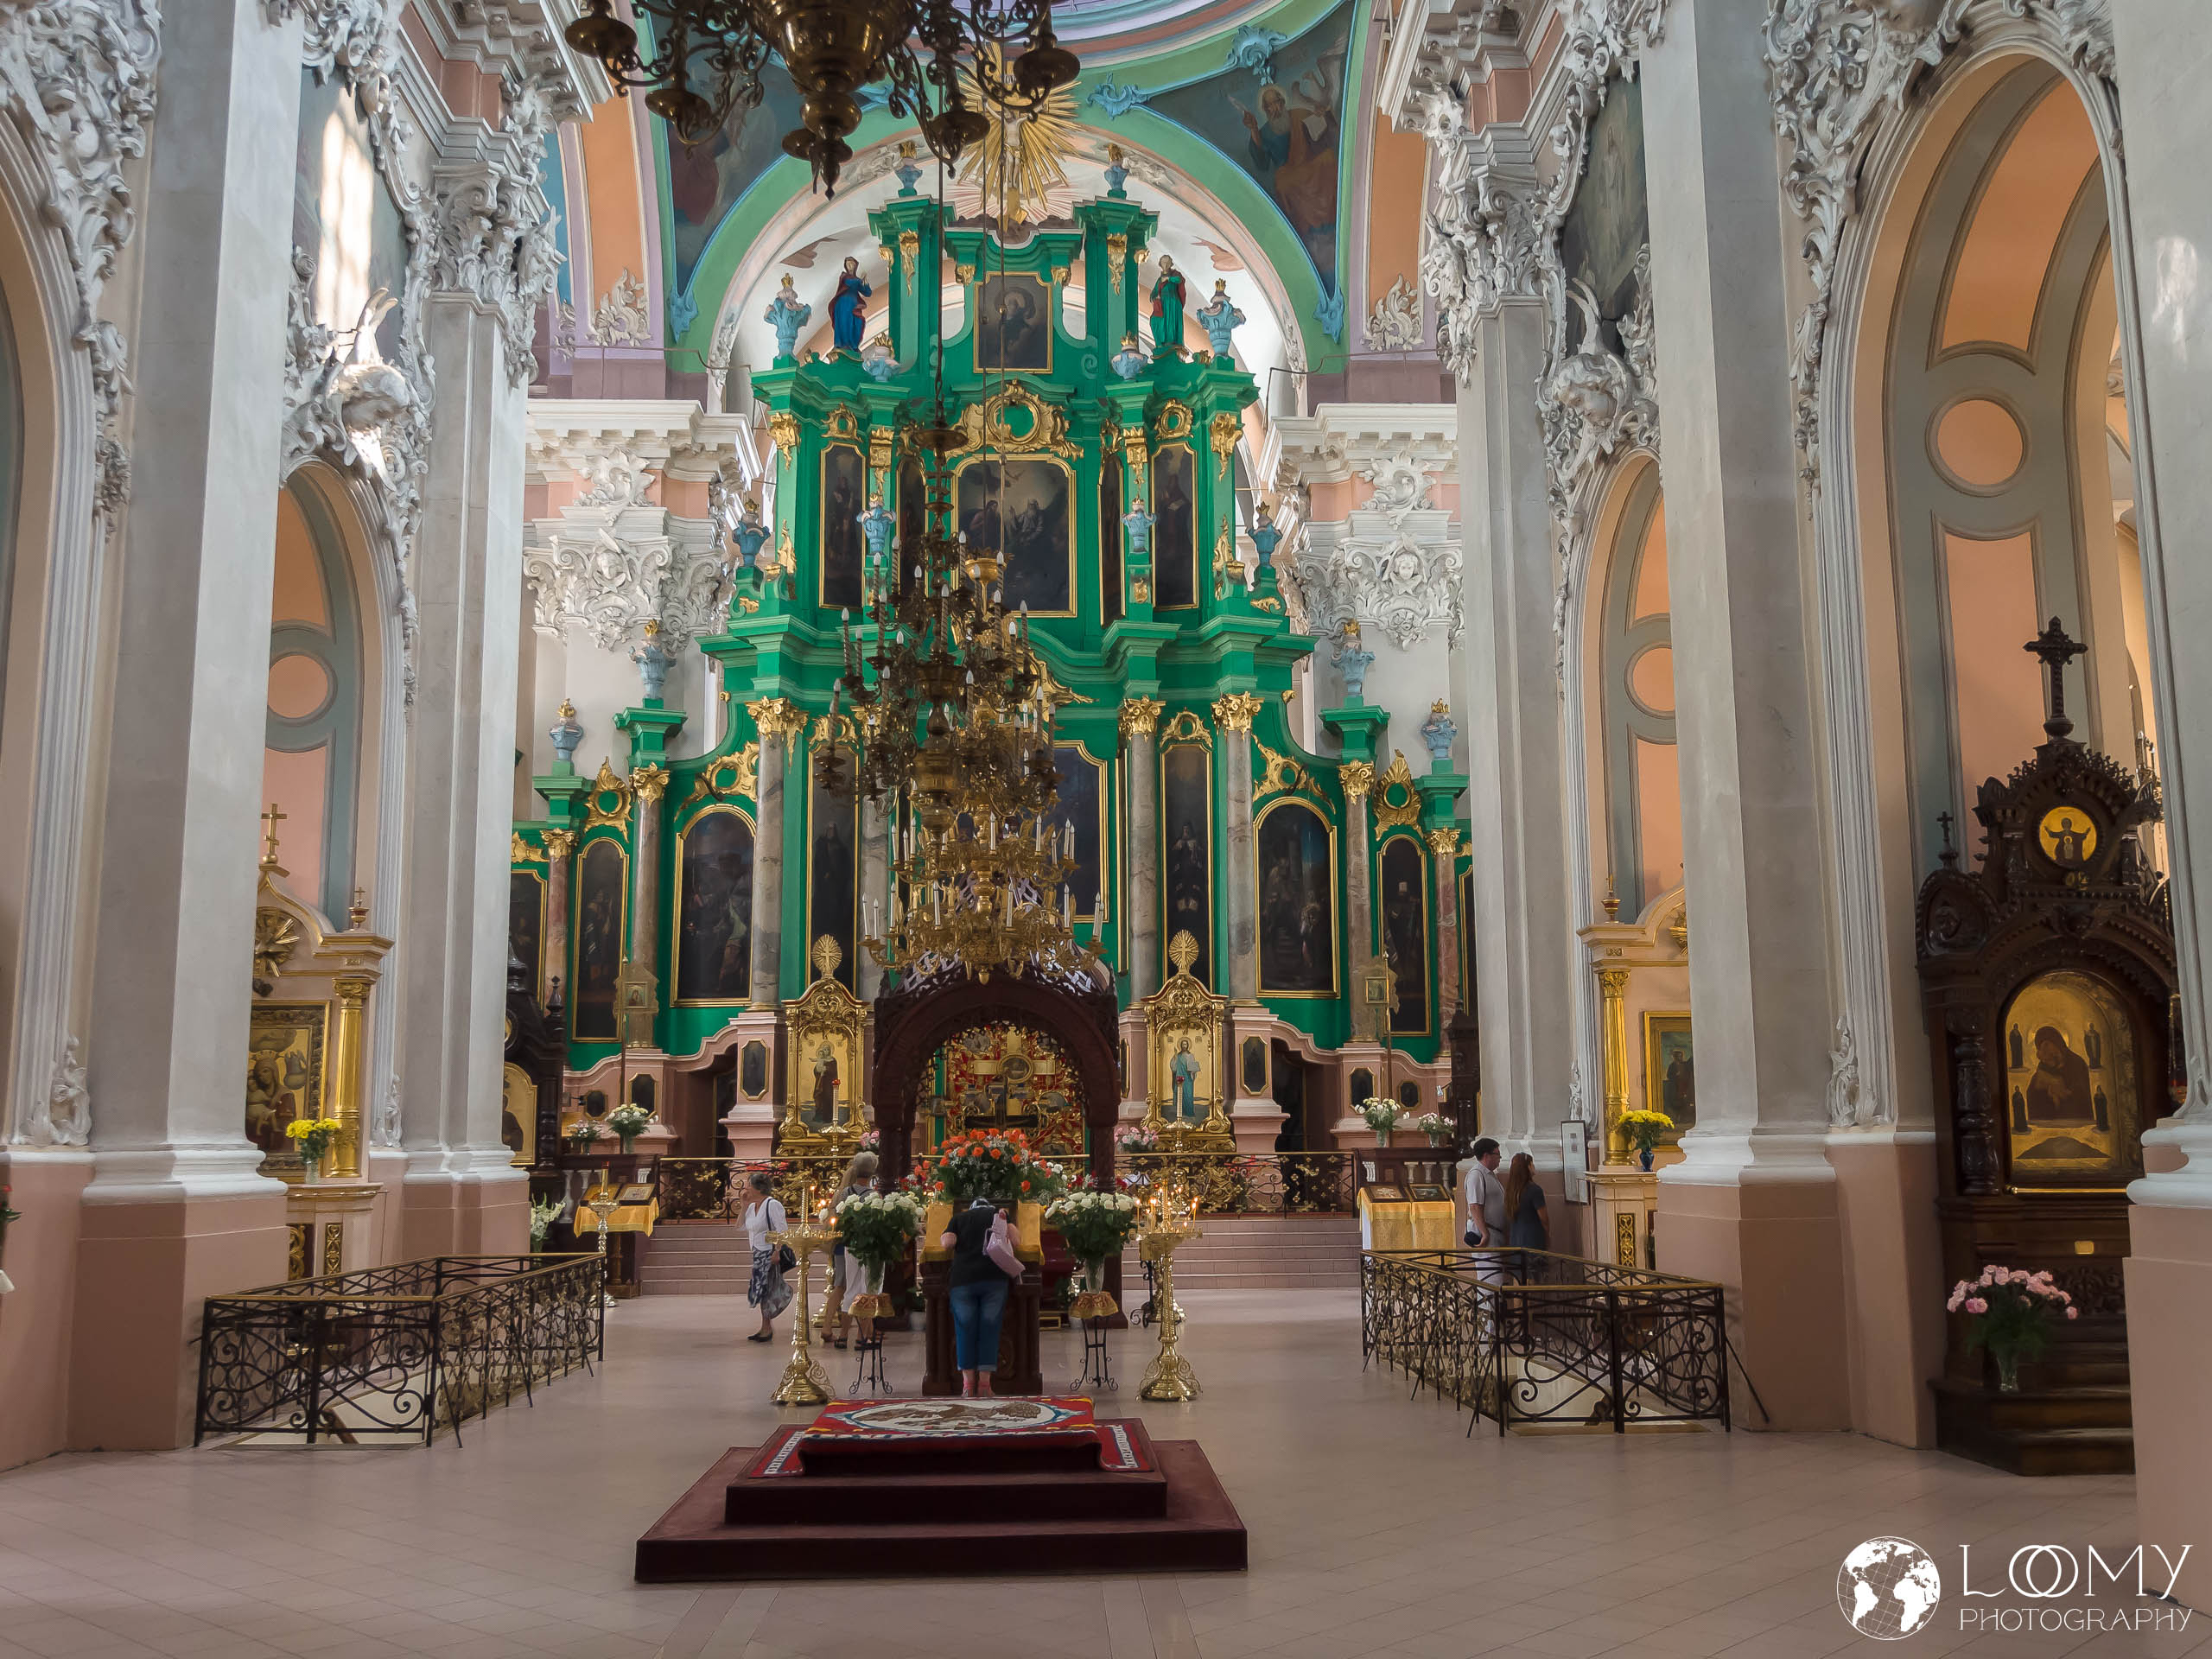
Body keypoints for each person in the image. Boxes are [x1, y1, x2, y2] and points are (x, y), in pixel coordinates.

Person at [940, 1196, 1018, 1397]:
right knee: (990, 1327)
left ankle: (968, 1383)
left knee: (965, 1327)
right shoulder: (1000, 1216)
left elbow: (948, 1243)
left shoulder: (959, 1218)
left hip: (963, 1281)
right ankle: (985, 1385)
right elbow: (1017, 1241)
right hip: (994, 1279)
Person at [825, 1150, 878, 1350]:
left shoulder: (845, 1193)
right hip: (866, 1247)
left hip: (847, 1245)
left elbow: (837, 1219)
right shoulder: (873, 1195)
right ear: (872, 1173)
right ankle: (863, 1337)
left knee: (849, 1290)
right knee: (864, 1290)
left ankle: (843, 1337)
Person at [741, 1171, 791, 1342]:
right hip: (757, 1252)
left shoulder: (773, 1205)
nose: (746, 1188)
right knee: (761, 1289)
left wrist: (777, 1251)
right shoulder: (751, 1206)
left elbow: (782, 1230)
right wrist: (743, 1205)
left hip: (769, 1252)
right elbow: (740, 1225)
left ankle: (767, 1328)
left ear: (757, 1188)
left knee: (767, 1289)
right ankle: (765, 1326)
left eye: (748, 1185)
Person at [1462, 1137, 1508, 1283]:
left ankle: (1492, 1306)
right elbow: (1474, 1206)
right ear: (1486, 1156)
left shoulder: (1489, 1174)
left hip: (1494, 1232)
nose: (1500, 1158)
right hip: (1486, 1233)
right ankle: (1487, 1306)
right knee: (1491, 1278)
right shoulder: (1476, 1175)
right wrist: (1484, 1233)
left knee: (1496, 1276)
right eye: (1497, 1154)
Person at [1503, 1152, 1548, 1253]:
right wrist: (1547, 1235)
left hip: (1515, 1241)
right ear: (1527, 1167)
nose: (1534, 1166)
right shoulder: (1534, 1190)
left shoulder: (1510, 1191)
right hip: (1533, 1241)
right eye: (1532, 1163)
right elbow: (1544, 1218)